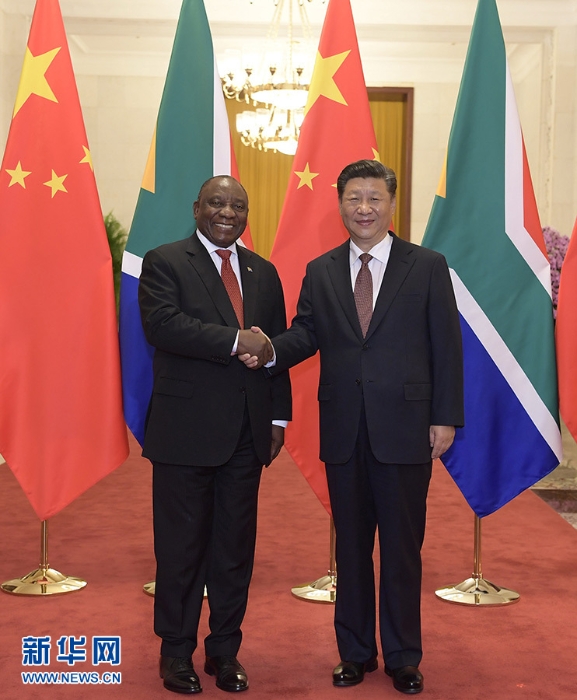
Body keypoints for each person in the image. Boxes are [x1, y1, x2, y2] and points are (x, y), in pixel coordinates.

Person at [242, 160, 463, 695]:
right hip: (344, 429)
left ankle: (404, 657)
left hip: (406, 428)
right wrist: (269, 349)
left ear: (392, 203)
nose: (364, 208)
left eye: (374, 198)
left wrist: (445, 416)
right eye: (354, 198)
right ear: (340, 204)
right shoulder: (320, 270)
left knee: (403, 549)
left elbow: (447, 345)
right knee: (352, 548)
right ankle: (355, 653)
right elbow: (306, 333)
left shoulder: (427, 265)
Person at [138, 175, 291, 695]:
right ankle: (175, 652)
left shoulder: (263, 271)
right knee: (180, 549)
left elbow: (275, 350)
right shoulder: (165, 261)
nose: (228, 212)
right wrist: (235, 340)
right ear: (196, 208)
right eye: (217, 203)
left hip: (247, 434)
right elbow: (162, 325)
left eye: (238, 206)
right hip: (184, 434)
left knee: (233, 551)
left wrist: (278, 418)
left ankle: (224, 651)